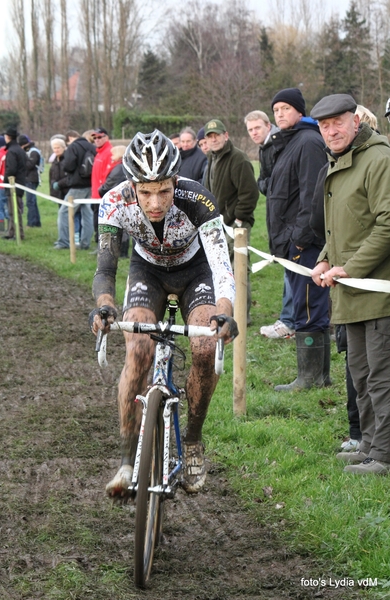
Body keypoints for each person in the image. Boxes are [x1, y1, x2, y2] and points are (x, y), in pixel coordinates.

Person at [89, 129, 237, 499]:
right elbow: (105, 268)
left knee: (204, 349)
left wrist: (225, 313)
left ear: (176, 181)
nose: (155, 202)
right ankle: (127, 460)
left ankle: (193, 441)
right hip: (147, 271)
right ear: (131, 185)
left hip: (196, 271)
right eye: (145, 191)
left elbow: (222, 266)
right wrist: (106, 305)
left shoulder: (198, 198)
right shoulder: (113, 202)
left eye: (164, 190)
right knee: (138, 351)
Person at [310, 93, 390, 475]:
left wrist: (350, 268)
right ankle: (371, 446)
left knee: (382, 376)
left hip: (378, 290)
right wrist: (326, 256)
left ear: (355, 121)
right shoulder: (340, 160)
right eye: (324, 126)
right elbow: (344, 223)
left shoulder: (379, 158)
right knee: (360, 374)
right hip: (352, 290)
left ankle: (385, 455)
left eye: (337, 123)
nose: (331, 131)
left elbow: (387, 224)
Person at [265, 88, 330, 391]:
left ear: (299, 111)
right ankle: (319, 375)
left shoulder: (308, 142)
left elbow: (313, 196)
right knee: (307, 305)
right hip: (289, 242)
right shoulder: (289, 142)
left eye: (285, 108)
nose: (279, 114)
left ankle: (310, 377)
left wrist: (300, 239)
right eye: (276, 109)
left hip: (303, 243)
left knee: (308, 307)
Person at [244, 109, 295, 340]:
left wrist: (268, 185)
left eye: (257, 128)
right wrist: (267, 185)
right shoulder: (264, 146)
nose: (254, 133)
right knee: (288, 266)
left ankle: (290, 321)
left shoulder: (278, 144)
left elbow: (278, 180)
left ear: (268, 125)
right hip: (277, 212)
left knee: (293, 268)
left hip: (289, 213)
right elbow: (264, 181)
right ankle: (290, 318)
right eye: (250, 130)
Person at [203, 118, 259, 326]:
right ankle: (225, 310)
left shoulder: (239, 159)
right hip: (219, 223)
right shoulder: (212, 157)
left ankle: (242, 316)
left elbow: (250, 193)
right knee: (221, 268)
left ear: (226, 136)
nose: (213, 139)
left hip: (236, 225)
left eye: (217, 135)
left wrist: (238, 219)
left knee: (238, 268)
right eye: (210, 136)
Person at [54, 130, 95, 250]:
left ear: (70, 138)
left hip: (77, 186)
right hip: (90, 185)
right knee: (87, 214)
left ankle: (64, 242)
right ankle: (85, 243)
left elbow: (68, 166)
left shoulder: (73, 146)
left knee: (64, 213)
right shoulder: (91, 146)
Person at [98, 145, 131, 258]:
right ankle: (122, 251)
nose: (111, 156)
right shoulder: (125, 167)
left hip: (118, 201)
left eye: (113, 153)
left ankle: (122, 252)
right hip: (124, 199)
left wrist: (101, 190)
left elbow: (108, 185)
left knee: (121, 226)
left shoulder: (118, 168)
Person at [2, 126, 27, 240]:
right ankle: (11, 232)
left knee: (14, 211)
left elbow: (11, 169)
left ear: (7, 137)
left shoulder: (12, 151)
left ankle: (18, 234)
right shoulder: (19, 149)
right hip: (20, 182)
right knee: (12, 210)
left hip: (14, 184)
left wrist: (5, 181)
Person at [91, 127, 113, 244]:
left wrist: (102, 191)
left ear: (106, 137)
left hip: (103, 195)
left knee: (103, 223)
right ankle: (99, 244)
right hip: (95, 195)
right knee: (96, 222)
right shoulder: (98, 153)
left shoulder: (109, 152)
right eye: (95, 138)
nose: (97, 140)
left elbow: (109, 176)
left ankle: (103, 245)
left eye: (100, 137)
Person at [18, 134, 42, 227]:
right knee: (32, 201)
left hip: (31, 178)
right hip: (29, 178)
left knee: (30, 201)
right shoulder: (29, 151)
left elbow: (30, 165)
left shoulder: (33, 152)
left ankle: (31, 222)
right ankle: (36, 222)